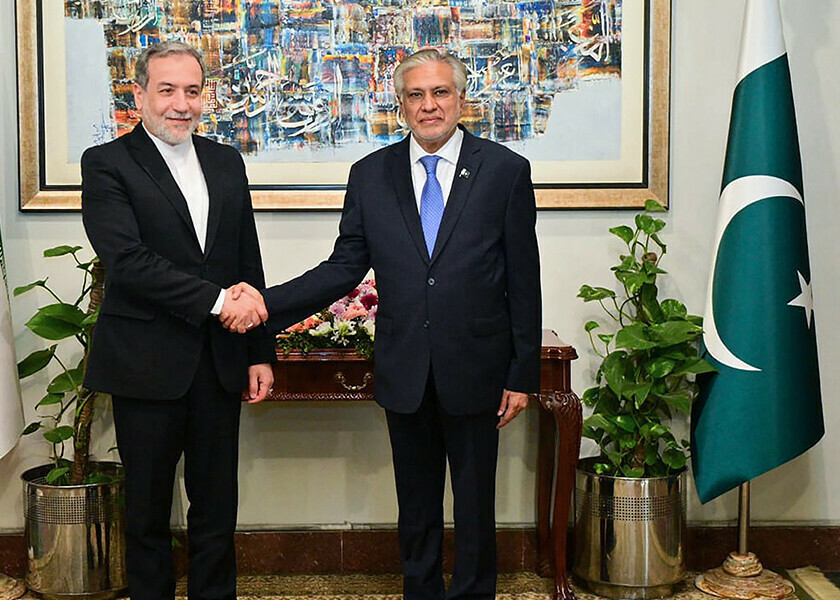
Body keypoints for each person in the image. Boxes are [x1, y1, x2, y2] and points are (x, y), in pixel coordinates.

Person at [240, 48, 542, 600]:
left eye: (440, 93)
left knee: (476, 505)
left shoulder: (504, 170)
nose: (429, 106)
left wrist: (521, 374)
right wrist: (266, 305)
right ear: (400, 104)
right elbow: (344, 266)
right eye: (416, 95)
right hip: (405, 370)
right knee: (417, 505)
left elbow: (524, 278)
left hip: (477, 369)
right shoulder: (370, 175)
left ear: (460, 98)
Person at [80, 41, 275, 600]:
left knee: (217, 509)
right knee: (146, 512)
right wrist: (219, 303)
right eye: (166, 90)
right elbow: (129, 264)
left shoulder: (225, 160)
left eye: (192, 91)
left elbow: (246, 260)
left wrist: (260, 351)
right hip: (146, 367)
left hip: (220, 363)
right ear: (139, 94)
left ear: (204, 95)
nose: (180, 104)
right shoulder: (107, 164)